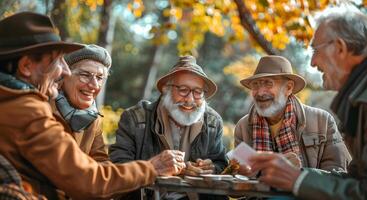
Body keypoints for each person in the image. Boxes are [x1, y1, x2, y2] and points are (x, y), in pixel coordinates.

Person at [0, 12, 184, 200]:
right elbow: (88, 181)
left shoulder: (13, 102)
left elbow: (96, 167)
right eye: (56, 61)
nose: (64, 70)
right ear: (26, 66)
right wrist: (152, 167)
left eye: (100, 78)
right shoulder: (28, 110)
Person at [249, 5, 367, 199]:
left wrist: (298, 180)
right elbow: (359, 178)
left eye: (315, 50)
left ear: (340, 48)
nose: (312, 62)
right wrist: (298, 175)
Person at [109, 55, 228, 199]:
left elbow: (221, 163)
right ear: (166, 89)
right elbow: (117, 167)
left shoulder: (213, 122)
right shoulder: (135, 118)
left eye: (198, 92)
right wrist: (153, 166)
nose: (190, 100)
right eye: (183, 89)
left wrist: (212, 168)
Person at [235, 55, 350, 174]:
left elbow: (339, 174)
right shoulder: (242, 127)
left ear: (288, 88)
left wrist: (298, 173)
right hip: (259, 193)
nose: (260, 92)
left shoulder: (322, 121)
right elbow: (237, 180)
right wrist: (240, 172)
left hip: (305, 193)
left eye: (268, 83)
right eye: (255, 85)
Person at [51, 44, 111, 162]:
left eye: (99, 78)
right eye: (84, 75)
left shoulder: (93, 118)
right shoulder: (43, 107)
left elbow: (101, 161)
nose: (94, 85)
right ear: (63, 76)